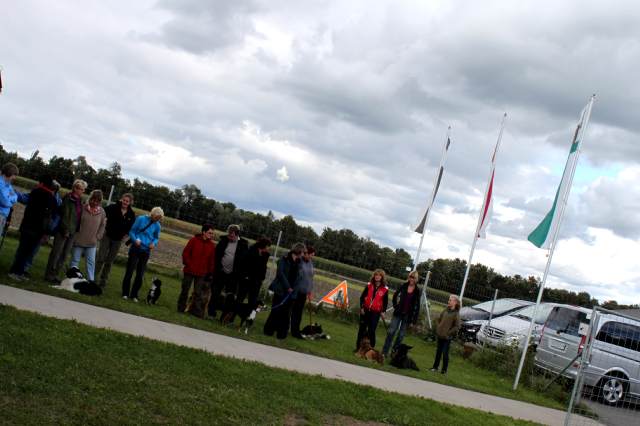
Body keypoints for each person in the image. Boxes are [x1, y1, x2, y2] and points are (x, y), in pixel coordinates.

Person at [8, 175, 58, 280]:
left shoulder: (35, 192)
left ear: (42, 183)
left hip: (28, 226)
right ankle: (20, 272)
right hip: (40, 230)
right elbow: (53, 215)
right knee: (29, 252)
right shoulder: (52, 199)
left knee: (22, 251)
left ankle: (15, 271)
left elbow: (25, 200)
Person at [44, 179, 87, 283]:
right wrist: (65, 229)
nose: (83, 191)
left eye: (83, 189)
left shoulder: (80, 201)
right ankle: (49, 274)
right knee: (56, 252)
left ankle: (56, 274)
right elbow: (65, 215)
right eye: (81, 189)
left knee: (65, 254)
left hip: (73, 231)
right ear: (75, 188)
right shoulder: (68, 198)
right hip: (63, 230)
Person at [263, 243, 305, 340]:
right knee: (276, 311)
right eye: (303, 252)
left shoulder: (299, 263)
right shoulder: (284, 259)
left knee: (286, 314)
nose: (303, 254)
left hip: (292, 293)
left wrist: (294, 288)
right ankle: (268, 331)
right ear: (298, 251)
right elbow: (280, 274)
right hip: (281, 290)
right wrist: (288, 287)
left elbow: (300, 277)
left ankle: (282, 334)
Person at [121, 207, 163, 302]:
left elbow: (156, 238)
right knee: (130, 271)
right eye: (157, 217)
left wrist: (154, 243)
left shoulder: (157, 225)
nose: (157, 219)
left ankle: (134, 295)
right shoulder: (141, 219)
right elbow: (132, 231)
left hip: (146, 251)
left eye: (159, 218)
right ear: (153, 214)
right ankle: (125, 293)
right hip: (135, 248)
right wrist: (135, 240)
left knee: (140, 274)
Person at [94, 193, 136, 288]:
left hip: (118, 240)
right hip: (107, 236)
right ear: (121, 199)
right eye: (124, 200)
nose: (125, 202)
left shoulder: (131, 214)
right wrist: (103, 226)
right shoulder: (113, 207)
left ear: (130, 203)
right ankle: (93, 277)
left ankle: (103, 281)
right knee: (101, 258)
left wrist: (125, 236)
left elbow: (131, 227)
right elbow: (102, 213)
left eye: (127, 201)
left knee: (109, 261)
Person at [208, 224, 249, 318]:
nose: (229, 237)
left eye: (232, 235)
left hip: (233, 275)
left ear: (237, 234)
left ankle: (224, 316)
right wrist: (217, 268)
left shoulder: (243, 245)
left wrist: (241, 274)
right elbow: (217, 255)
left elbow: (245, 261)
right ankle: (211, 313)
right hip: (221, 272)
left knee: (230, 297)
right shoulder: (223, 241)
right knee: (215, 293)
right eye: (229, 234)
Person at [382, 270, 421, 358]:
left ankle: (394, 352)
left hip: (408, 316)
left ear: (416, 279)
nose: (411, 279)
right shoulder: (403, 285)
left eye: (413, 278)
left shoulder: (417, 290)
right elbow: (395, 295)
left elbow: (417, 306)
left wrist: (414, 321)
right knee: (391, 331)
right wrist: (395, 306)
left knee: (401, 335)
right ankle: (384, 352)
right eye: (410, 277)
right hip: (398, 313)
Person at [69, 190, 106, 282]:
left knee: (91, 263)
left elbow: (103, 225)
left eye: (97, 201)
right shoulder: (83, 207)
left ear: (100, 201)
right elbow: (76, 221)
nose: (95, 202)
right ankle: (72, 280)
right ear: (90, 198)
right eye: (93, 200)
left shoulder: (102, 212)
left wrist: (98, 237)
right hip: (79, 239)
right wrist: (75, 234)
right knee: (75, 260)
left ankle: (90, 281)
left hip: (92, 242)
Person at [178, 224, 216, 315]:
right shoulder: (193, 240)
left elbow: (212, 260)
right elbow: (185, 253)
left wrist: (210, 272)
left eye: (212, 233)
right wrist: (189, 264)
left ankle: (195, 311)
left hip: (201, 273)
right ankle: (181, 308)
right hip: (189, 270)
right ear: (204, 232)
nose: (211, 235)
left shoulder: (211, 245)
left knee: (198, 293)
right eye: (209, 233)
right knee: (185, 290)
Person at [235, 237, 271, 313]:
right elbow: (243, 264)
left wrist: (262, 278)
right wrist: (244, 276)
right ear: (264, 245)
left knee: (253, 301)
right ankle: (231, 315)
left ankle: (249, 316)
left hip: (256, 282)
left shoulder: (265, 255)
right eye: (268, 246)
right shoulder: (251, 251)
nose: (269, 248)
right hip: (246, 280)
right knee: (240, 298)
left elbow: (263, 268)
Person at [355, 269, 389, 351]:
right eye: (376, 275)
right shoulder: (369, 285)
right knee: (361, 330)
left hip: (375, 313)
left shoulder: (385, 289)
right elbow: (362, 297)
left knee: (371, 331)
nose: (377, 276)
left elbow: (385, 302)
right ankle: (358, 348)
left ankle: (371, 348)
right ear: (374, 276)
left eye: (379, 275)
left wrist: (383, 311)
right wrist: (362, 307)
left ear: (382, 277)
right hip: (365, 311)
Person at [430, 294, 461, 375]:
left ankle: (444, 371)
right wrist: (438, 327)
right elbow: (439, 319)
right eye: (449, 300)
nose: (448, 301)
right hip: (440, 335)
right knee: (438, 352)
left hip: (447, 337)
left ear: (455, 302)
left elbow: (457, 326)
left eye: (450, 300)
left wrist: (448, 333)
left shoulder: (456, 314)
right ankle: (435, 367)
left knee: (445, 353)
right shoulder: (445, 310)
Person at [290, 245, 316, 339]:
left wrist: (310, 291)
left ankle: (296, 330)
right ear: (305, 253)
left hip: (304, 292)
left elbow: (311, 278)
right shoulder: (299, 261)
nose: (311, 257)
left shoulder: (310, 263)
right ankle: (293, 330)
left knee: (299, 313)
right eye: (311, 255)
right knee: (294, 311)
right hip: (297, 291)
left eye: (312, 256)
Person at [0, 163, 27, 232]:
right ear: (9, 173)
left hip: (3, 215)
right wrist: (11, 200)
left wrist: (10, 198)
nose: (14, 178)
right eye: (14, 175)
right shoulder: (0, 184)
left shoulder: (8, 184)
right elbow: (5, 202)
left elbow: (15, 196)